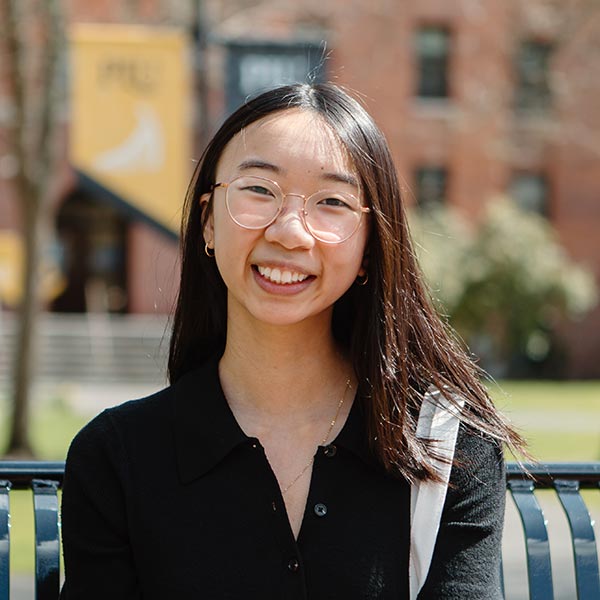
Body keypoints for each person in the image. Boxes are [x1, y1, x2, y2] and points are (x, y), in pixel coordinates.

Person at [60, 83, 524, 599]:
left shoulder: (448, 448)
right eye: (259, 190)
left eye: (331, 201)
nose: (289, 232)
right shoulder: (116, 457)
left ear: (371, 247)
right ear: (209, 221)